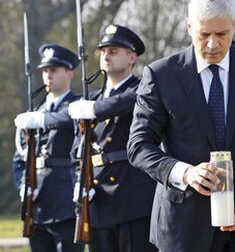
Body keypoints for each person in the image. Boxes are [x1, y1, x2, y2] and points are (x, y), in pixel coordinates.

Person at [126, 0, 235, 252]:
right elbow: (139, 145)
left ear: (234, 26)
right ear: (189, 26)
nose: (213, 44)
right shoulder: (161, 75)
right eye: (204, 34)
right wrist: (186, 173)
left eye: (222, 33)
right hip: (184, 227)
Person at [68, 24, 157, 252]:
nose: (106, 55)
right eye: (103, 51)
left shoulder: (142, 88)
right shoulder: (92, 100)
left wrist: (94, 109)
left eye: (114, 51)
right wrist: (79, 181)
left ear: (131, 57)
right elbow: (77, 150)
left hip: (132, 198)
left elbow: (126, 102)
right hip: (98, 199)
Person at [13, 44, 83, 252]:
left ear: (69, 73)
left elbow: (68, 118)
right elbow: (19, 157)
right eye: (45, 71)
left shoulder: (78, 105)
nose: (48, 75)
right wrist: (22, 186)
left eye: (54, 70)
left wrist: (41, 119)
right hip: (38, 203)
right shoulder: (34, 113)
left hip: (65, 202)